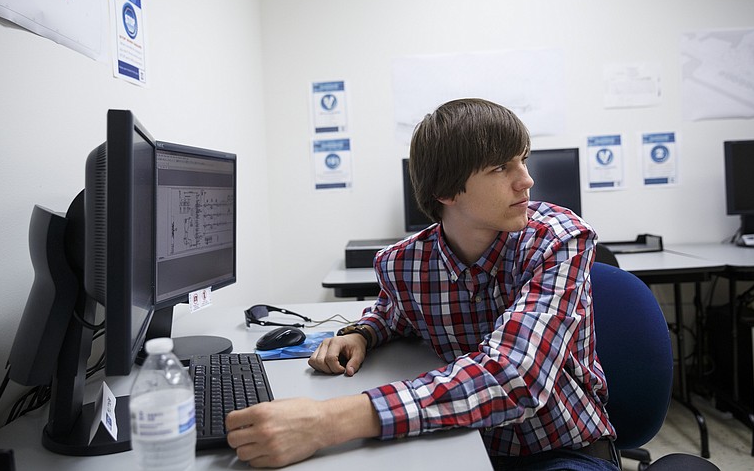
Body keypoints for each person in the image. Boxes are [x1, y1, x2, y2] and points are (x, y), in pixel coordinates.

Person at [225, 98, 619, 470]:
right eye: (501, 167)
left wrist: (327, 420)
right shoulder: (403, 263)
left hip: (559, 447)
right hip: (459, 441)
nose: (527, 180)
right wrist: (362, 333)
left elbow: (516, 375)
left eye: (523, 160)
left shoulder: (558, 241)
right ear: (446, 192)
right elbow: (395, 312)